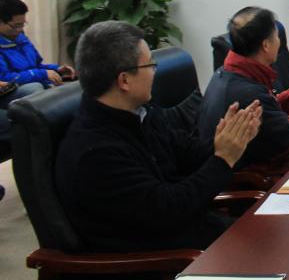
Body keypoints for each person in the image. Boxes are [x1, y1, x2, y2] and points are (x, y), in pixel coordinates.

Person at [55, 21, 262, 252]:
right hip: (171, 257)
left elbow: (186, 153)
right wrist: (223, 159)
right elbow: (168, 210)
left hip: (199, 231)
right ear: (124, 80)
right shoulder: (96, 152)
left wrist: (231, 140)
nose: (155, 72)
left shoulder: (139, 114)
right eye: (150, 65)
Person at [198, 7, 289, 171]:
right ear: (266, 45)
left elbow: (270, 109)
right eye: (277, 36)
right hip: (260, 178)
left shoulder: (229, 73)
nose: (279, 42)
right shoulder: (248, 94)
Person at [0, 0, 74, 89]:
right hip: (11, 90)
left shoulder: (21, 39)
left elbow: (36, 66)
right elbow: (4, 78)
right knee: (35, 87)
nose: (20, 29)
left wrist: (56, 69)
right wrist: (40, 74)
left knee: (73, 85)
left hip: (31, 85)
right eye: (16, 25)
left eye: (22, 24)